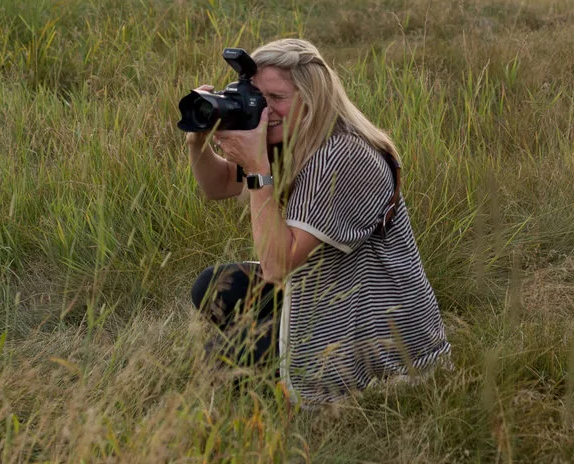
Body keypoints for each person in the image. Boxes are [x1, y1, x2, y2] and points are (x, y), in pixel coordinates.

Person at [187, 37, 449, 401]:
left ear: (314, 101)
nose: (266, 110)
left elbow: (278, 266)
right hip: (329, 288)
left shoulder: (342, 157)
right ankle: (272, 343)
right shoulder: (290, 137)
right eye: (259, 99)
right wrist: (197, 143)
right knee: (214, 286)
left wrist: (257, 168)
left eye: (277, 99)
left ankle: (288, 359)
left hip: (376, 324)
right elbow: (217, 187)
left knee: (222, 357)